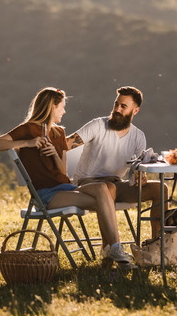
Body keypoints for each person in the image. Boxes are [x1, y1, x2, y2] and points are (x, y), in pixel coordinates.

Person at [0, 87, 134, 265]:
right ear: (52, 107)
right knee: (104, 199)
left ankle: (112, 249)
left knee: (104, 188)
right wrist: (28, 143)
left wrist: (54, 154)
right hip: (46, 194)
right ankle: (115, 249)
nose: (64, 111)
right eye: (62, 107)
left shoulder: (59, 133)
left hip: (67, 187)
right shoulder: (28, 129)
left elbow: (62, 172)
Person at [65, 86, 168, 243]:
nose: (117, 109)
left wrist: (140, 176)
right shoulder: (98, 125)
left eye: (123, 106)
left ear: (135, 111)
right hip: (87, 184)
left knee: (160, 189)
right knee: (109, 187)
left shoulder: (138, 137)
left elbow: (137, 169)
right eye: (116, 104)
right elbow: (66, 144)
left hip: (116, 184)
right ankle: (111, 249)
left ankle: (158, 243)